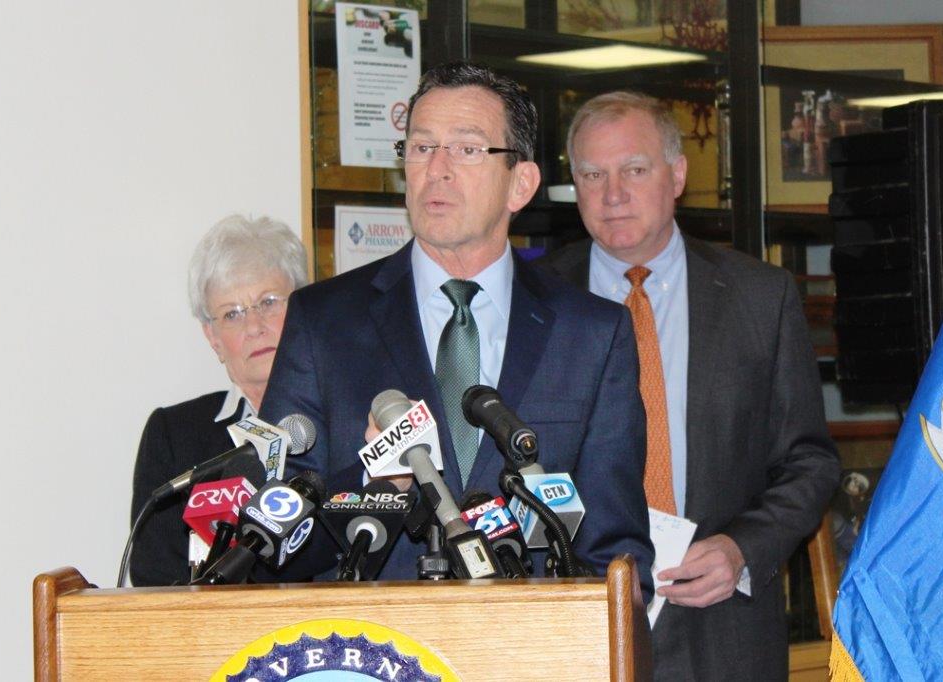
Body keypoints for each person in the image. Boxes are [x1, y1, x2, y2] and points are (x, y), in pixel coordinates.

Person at [260, 62, 654, 593]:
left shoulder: (591, 334)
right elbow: (272, 543)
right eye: (422, 148)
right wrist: (375, 486)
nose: (437, 169)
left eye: (466, 149)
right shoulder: (322, 321)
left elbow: (615, 556)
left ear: (521, 184)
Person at [540, 91, 840, 680]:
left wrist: (742, 549)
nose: (613, 194)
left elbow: (810, 462)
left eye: (634, 169)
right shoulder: (536, 301)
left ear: (677, 175)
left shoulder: (761, 297)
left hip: (723, 628)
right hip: (575, 625)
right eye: (592, 174)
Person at [129, 214, 308, 586]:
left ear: (306, 309)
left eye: (269, 302)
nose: (254, 326)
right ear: (213, 338)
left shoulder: (347, 421)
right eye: (232, 314)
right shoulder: (174, 435)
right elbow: (153, 575)